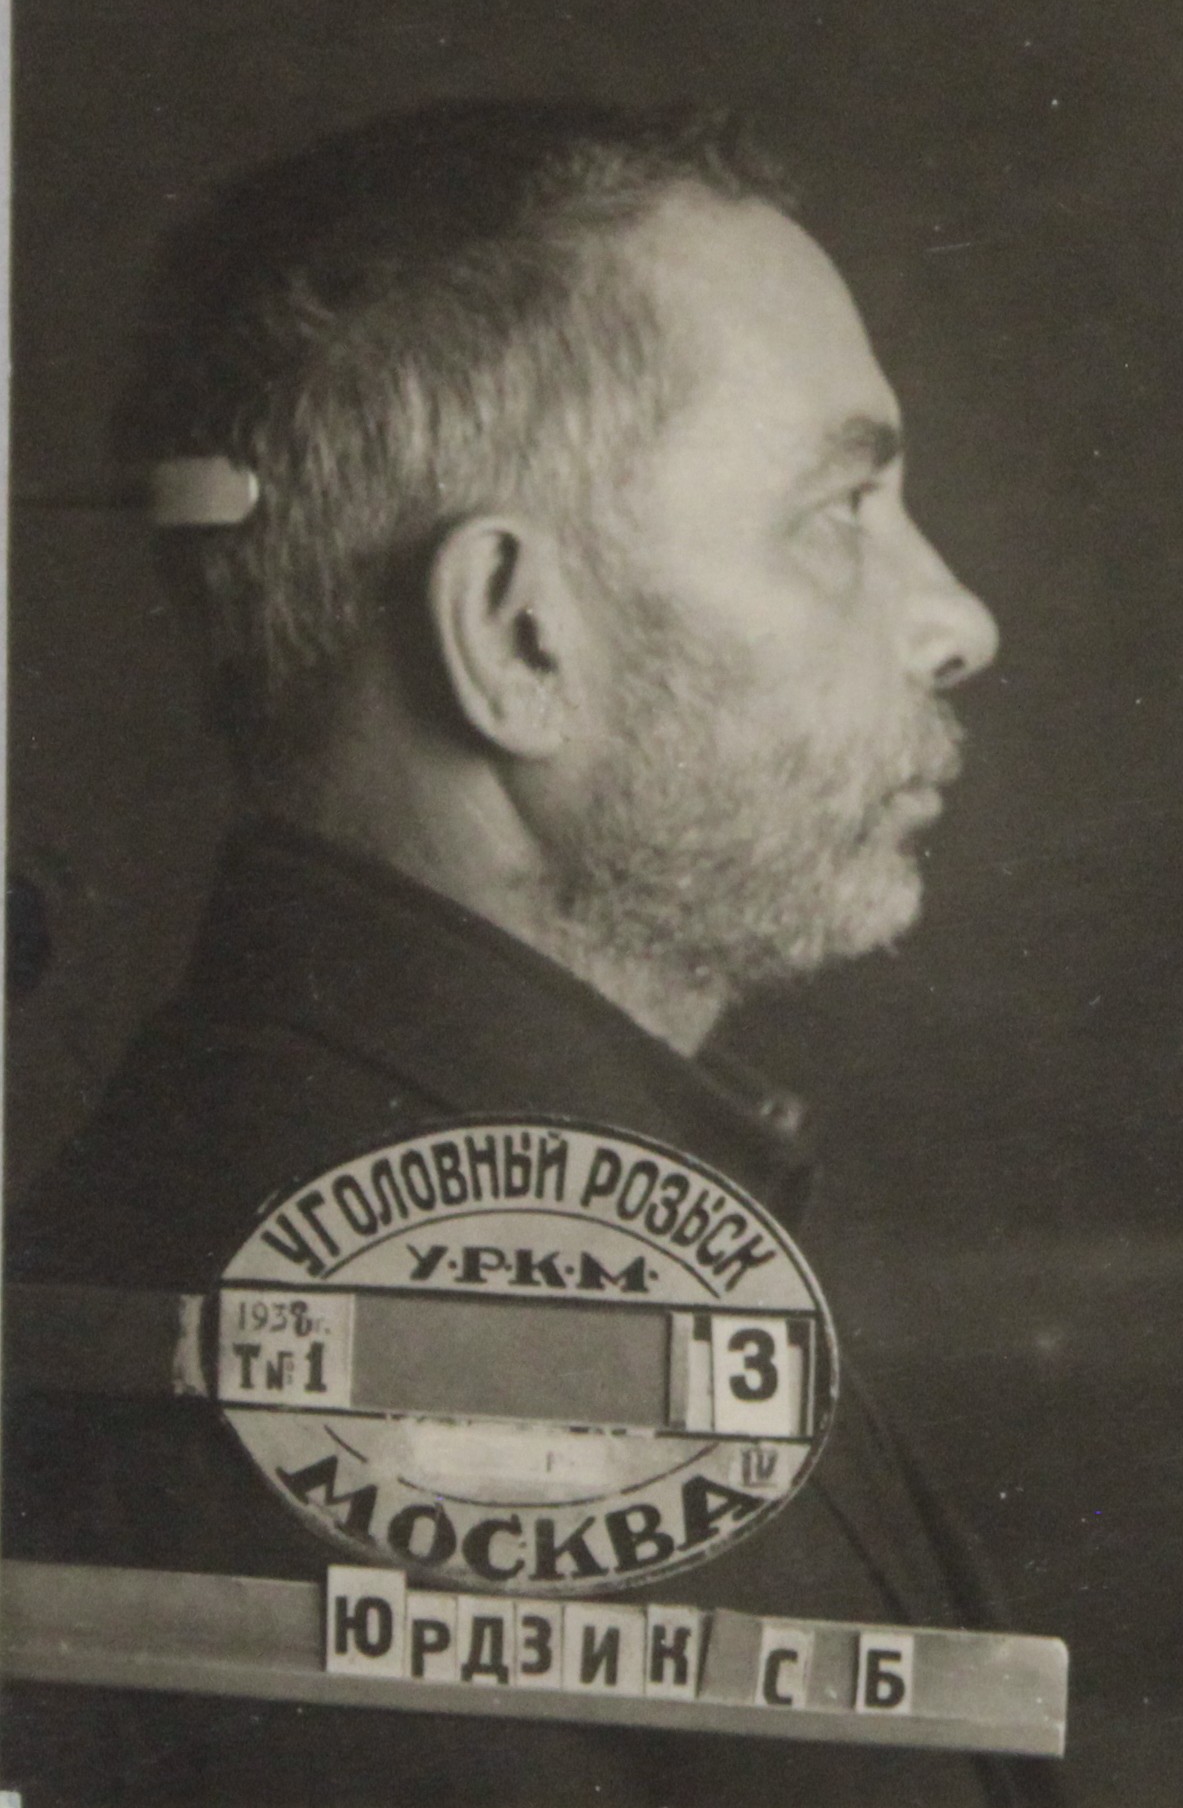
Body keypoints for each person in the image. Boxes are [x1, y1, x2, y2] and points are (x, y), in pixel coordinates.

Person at [3, 100, 1040, 1805]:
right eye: (840, 509)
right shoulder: (416, 1369)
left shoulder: (543, 1247)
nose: (955, 620)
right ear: (519, 638)